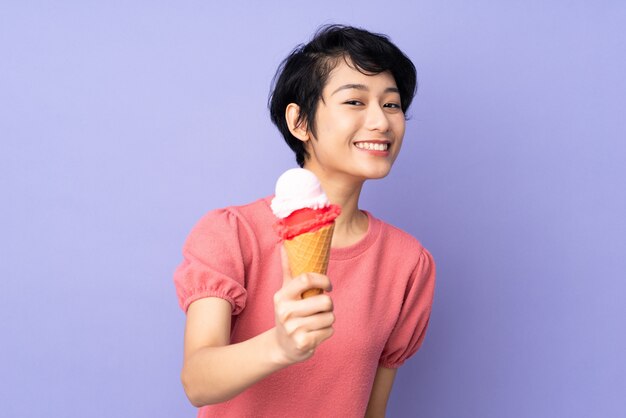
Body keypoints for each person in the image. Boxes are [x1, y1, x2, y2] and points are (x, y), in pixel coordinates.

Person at [173, 24, 436, 417]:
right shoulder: (231, 233)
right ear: (299, 122)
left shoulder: (408, 263)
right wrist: (280, 346)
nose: (381, 122)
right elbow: (197, 380)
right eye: (355, 102)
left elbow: (372, 411)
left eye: (392, 104)